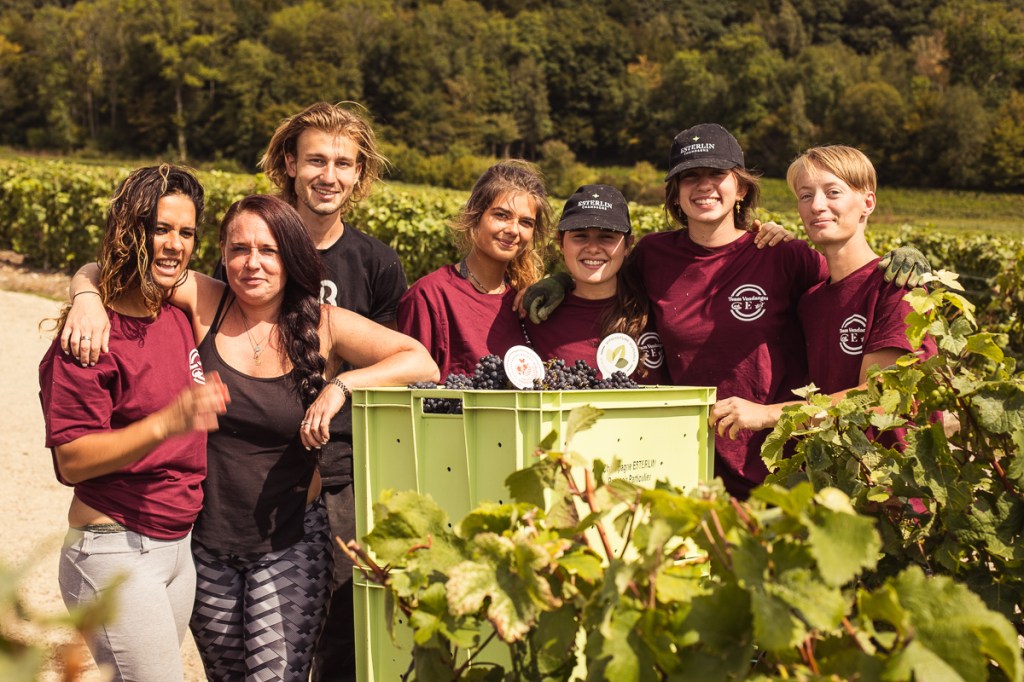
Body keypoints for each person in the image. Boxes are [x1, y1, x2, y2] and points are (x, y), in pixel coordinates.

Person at [522, 124, 929, 498]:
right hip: (692, 460)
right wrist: (558, 281)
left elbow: (853, 283)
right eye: (689, 177)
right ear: (675, 192)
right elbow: (602, 271)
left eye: (717, 175)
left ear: (741, 188)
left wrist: (900, 263)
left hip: (781, 462)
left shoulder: (782, 254)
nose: (704, 187)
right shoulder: (653, 255)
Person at [40, 164, 229, 681]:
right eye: (161, 229)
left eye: (187, 233)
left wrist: (85, 284)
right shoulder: (89, 339)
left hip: (177, 548)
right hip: (114, 549)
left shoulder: (174, 310)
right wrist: (165, 424)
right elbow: (73, 459)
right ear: (132, 232)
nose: (175, 245)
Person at [258, 102, 408, 682]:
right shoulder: (254, 242)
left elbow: (401, 363)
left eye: (343, 163)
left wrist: (342, 380)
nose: (329, 175)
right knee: (261, 624)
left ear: (359, 173)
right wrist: (88, 288)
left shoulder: (376, 263)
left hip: (342, 469)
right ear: (290, 164)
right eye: (316, 160)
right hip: (255, 459)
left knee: (340, 629)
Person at [709, 145, 935, 437]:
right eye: (806, 195)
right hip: (835, 476)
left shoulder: (897, 287)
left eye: (833, 192)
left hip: (891, 479)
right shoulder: (811, 302)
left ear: (868, 202)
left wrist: (767, 413)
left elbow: (881, 397)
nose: (816, 205)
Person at [398, 159, 552, 378]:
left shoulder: (525, 302)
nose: (513, 230)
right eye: (501, 215)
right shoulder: (429, 297)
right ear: (475, 215)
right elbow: (410, 391)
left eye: (526, 222)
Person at [523, 183, 665, 383]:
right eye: (580, 236)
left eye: (607, 237)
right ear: (560, 243)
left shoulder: (656, 308)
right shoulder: (538, 316)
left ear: (627, 245)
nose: (592, 248)